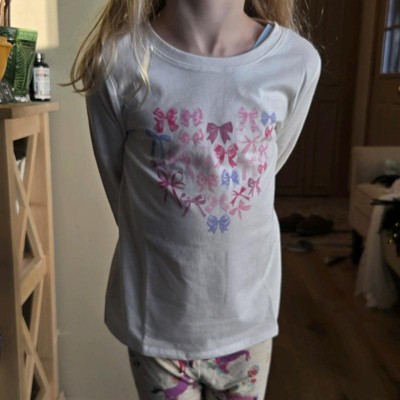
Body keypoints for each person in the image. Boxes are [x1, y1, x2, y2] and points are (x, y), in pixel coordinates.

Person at [69, 0, 322, 398]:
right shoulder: (117, 62)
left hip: (247, 324)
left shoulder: (296, 62)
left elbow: (269, 166)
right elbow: (121, 190)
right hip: (156, 325)